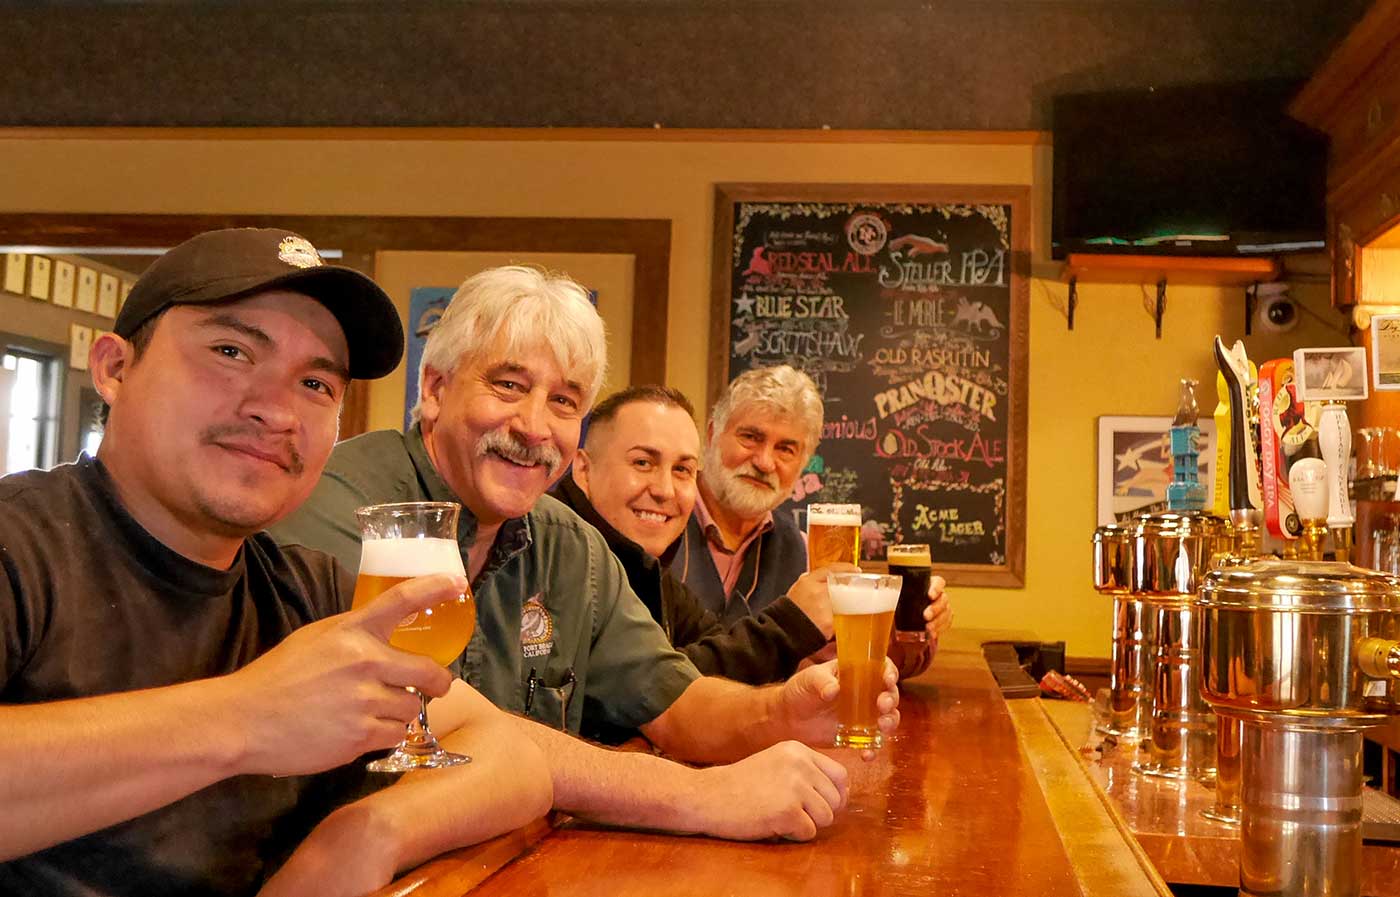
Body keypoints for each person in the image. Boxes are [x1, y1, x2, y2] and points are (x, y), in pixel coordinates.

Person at [0, 229, 552, 897]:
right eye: (231, 351)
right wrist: (246, 718)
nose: (277, 409)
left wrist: (363, 837)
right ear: (116, 368)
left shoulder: (308, 591)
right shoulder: (21, 544)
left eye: (316, 382)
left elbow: (512, 753)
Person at [273, 265, 894, 840]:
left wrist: (784, 712)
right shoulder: (349, 511)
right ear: (434, 388)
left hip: (519, 864)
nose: (535, 427)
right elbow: (450, 731)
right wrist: (698, 795)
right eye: (509, 385)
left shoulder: (567, 540)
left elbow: (677, 706)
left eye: (565, 401)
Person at [672, 365, 951, 679]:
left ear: (803, 464)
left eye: (786, 449)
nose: (764, 462)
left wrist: (914, 624)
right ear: (711, 435)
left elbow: (852, 661)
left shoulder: (806, 554)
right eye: (750, 437)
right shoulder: (660, 519)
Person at [556, 383, 831, 684]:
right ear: (583, 469)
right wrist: (791, 627)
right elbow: (640, 685)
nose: (664, 490)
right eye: (643, 463)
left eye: (682, 469)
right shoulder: (554, 551)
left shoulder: (645, 562)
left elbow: (709, 665)